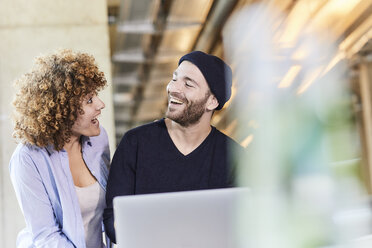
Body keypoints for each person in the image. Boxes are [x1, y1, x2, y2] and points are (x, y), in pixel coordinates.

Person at [103, 50, 243, 243]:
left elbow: (242, 226)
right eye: (174, 78)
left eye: (188, 84)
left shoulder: (234, 157)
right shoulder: (135, 143)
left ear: (212, 101)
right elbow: (112, 218)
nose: (173, 88)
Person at [9, 49, 110, 248]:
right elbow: (46, 235)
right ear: (62, 110)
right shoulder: (28, 158)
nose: (101, 104)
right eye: (89, 100)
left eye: (96, 96)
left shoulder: (98, 139)